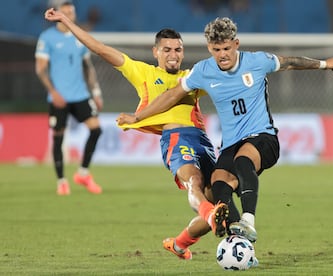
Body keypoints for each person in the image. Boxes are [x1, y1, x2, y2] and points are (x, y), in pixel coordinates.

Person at [124, 17, 333, 244]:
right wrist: (138, 116)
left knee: (243, 162)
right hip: (231, 143)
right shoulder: (203, 70)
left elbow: (290, 62)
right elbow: (171, 95)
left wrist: (323, 64)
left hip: (263, 138)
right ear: (209, 48)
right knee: (219, 185)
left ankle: (248, 221)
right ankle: (237, 243)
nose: (222, 54)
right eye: (216, 49)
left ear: (236, 44)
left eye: (226, 48)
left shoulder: (257, 61)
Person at [43, 8, 234, 260]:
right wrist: (67, 21)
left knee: (219, 199)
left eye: (178, 49)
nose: (173, 55)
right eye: (166, 49)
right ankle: (210, 216)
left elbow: (230, 81)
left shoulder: (192, 77)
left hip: (204, 141)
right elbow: (100, 49)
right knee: (193, 181)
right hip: (176, 139)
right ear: (156, 52)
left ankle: (178, 244)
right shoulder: (142, 72)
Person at [35, 1, 103, 196]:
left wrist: (96, 91)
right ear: (57, 15)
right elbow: (40, 69)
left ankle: (83, 173)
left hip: (80, 94)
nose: (68, 15)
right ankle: (62, 181)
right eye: (64, 12)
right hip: (59, 97)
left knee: (96, 130)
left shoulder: (78, 36)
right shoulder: (47, 37)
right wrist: (53, 92)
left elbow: (88, 67)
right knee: (58, 137)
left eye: (70, 12)